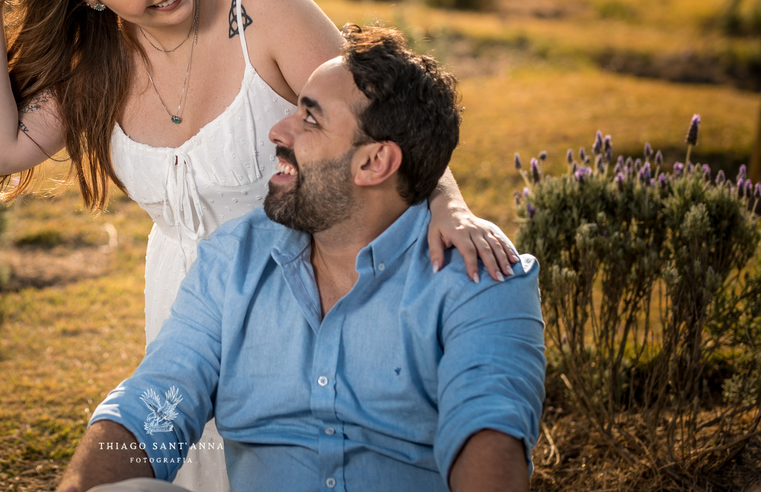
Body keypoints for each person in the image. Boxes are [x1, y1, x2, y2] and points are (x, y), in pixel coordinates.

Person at [0, 0, 519, 491]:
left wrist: (449, 206)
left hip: (303, 285)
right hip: (186, 302)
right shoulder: (95, 62)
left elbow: (376, 118)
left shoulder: (262, 5)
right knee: (185, 457)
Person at [55, 25, 547, 492]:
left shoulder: (480, 278)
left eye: (309, 118)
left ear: (374, 162)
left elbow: (488, 435)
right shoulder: (232, 262)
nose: (278, 130)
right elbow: (155, 402)